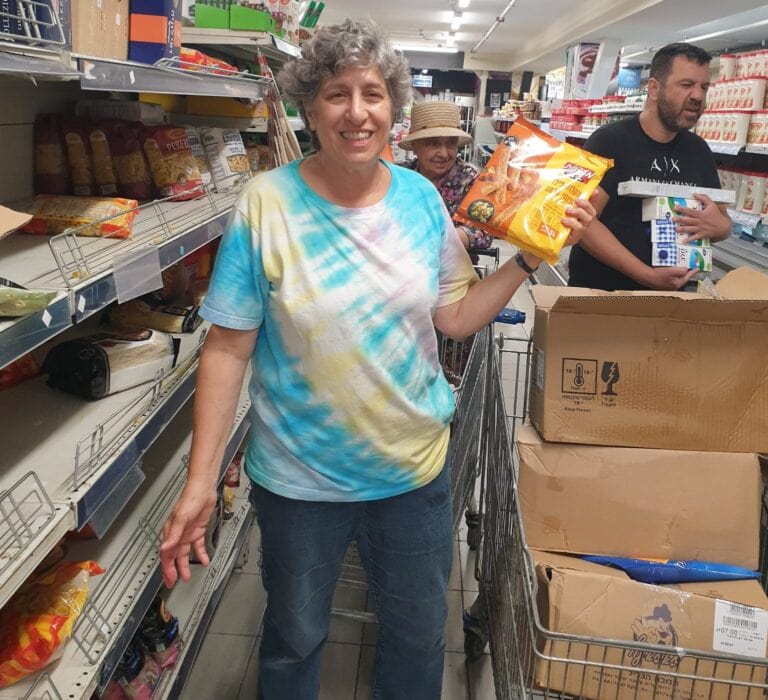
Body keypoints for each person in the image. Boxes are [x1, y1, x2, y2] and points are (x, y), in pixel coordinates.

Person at [158, 19, 595, 700]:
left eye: (372, 93)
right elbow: (227, 345)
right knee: (295, 637)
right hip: (299, 483)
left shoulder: (421, 200)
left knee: (419, 639)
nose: (356, 112)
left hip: (412, 477)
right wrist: (201, 481)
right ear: (310, 107)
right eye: (336, 94)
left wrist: (532, 256)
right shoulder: (266, 204)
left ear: (393, 108)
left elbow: (454, 314)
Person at [568, 42, 732, 291]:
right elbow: (584, 223)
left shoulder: (698, 150)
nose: (698, 96)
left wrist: (723, 228)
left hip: (670, 300)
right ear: (654, 88)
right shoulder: (608, 142)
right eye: (686, 85)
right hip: (600, 297)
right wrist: (647, 276)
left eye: (704, 87)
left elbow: (720, 220)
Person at [399, 101, 495, 256]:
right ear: (415, 146)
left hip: (455, 271)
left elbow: (483, 230)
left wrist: (436, 242)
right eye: (433, 144)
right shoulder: (400, 178)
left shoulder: (471, 179)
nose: (444, 154)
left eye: (451, 144)